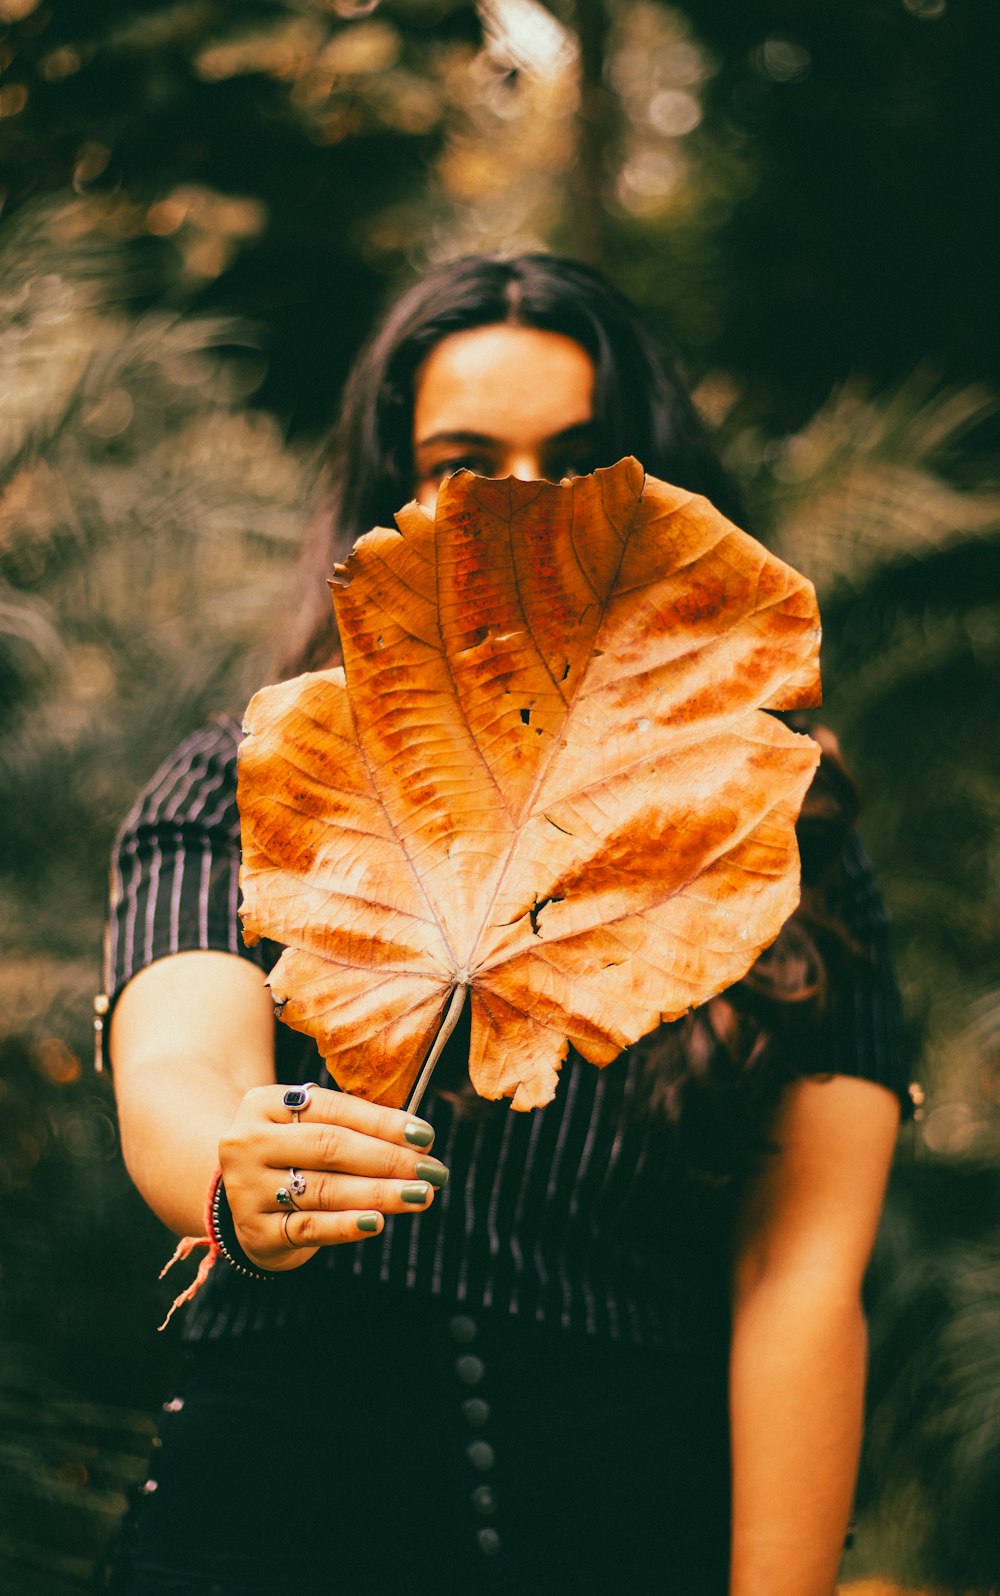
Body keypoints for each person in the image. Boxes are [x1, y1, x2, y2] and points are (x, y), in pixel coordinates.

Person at [98, 254, 911, 1596]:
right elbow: (182, 1072)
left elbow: (799, 1285)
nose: (522, 512)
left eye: (578, 461)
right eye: (465, 463)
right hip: (261, 1539)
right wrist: (237, 1173)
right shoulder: (257, 773)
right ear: (392, 502)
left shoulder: (784, 832)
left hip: (626, 1539)